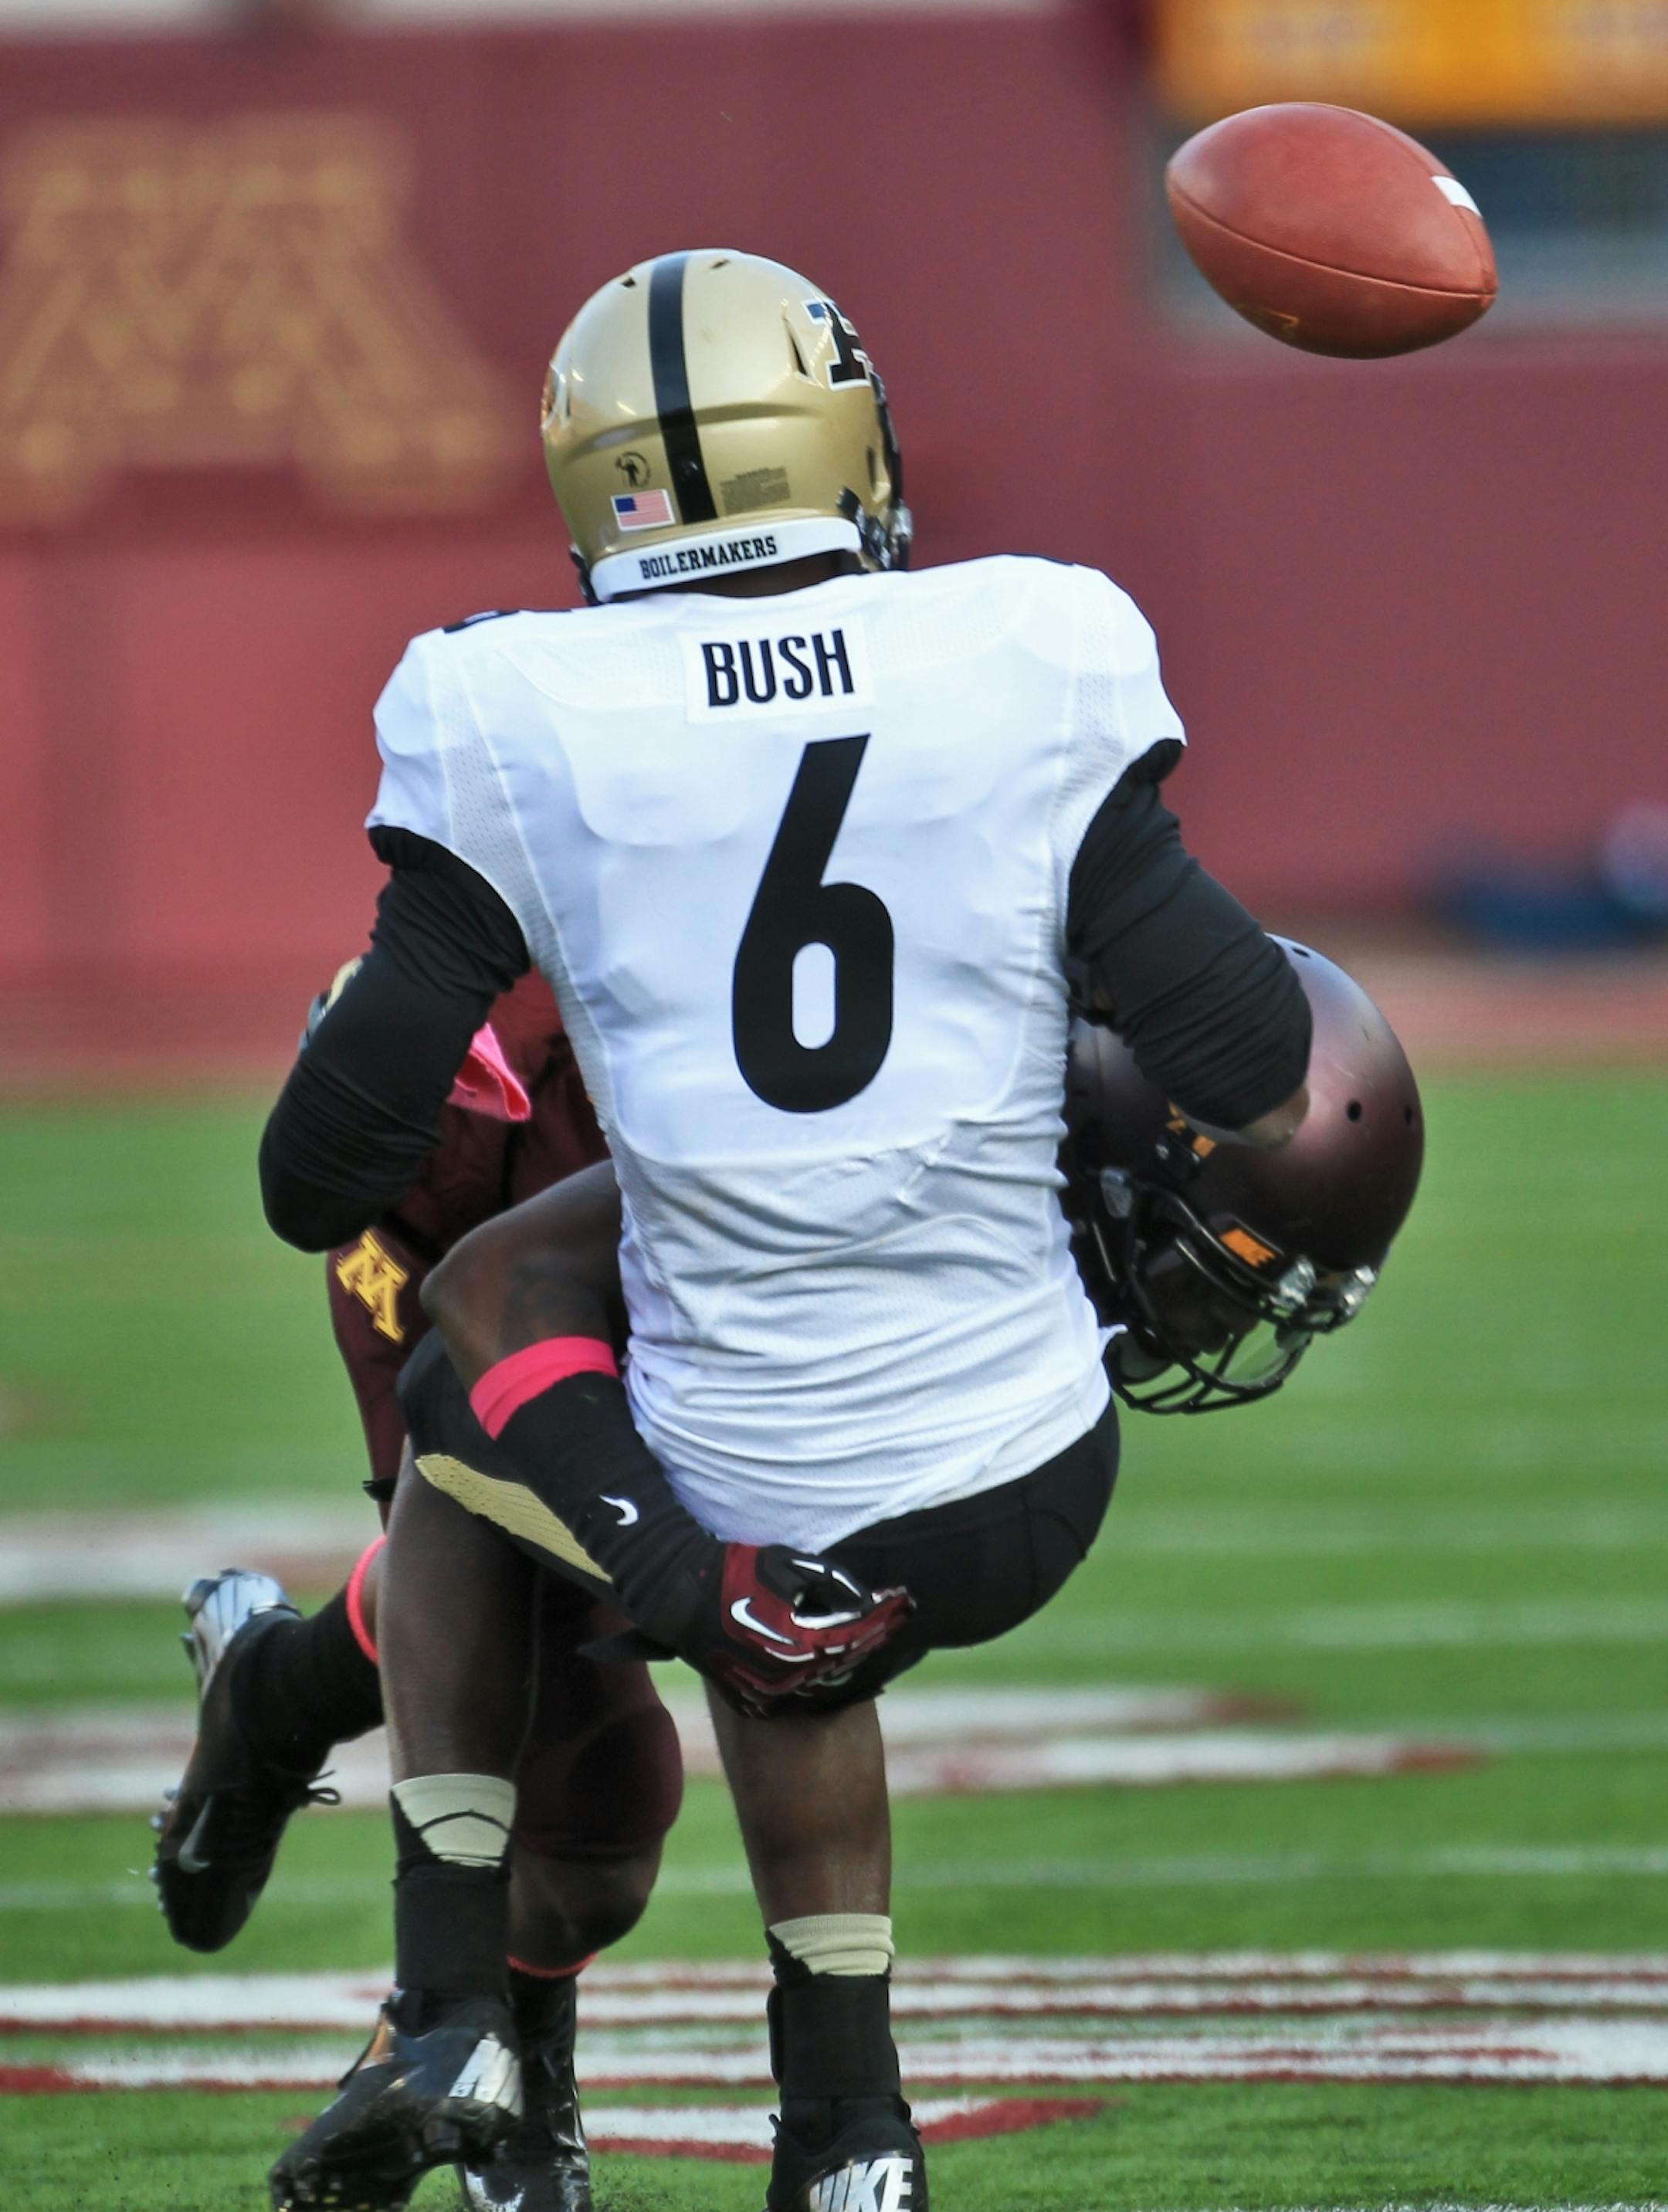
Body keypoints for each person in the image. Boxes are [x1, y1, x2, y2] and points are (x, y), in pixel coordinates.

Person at [258, 248, 1317, 2212]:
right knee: (793, 1556)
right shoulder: (1035, 643)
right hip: (1023, 1474)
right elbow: (1250, 1054)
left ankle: (455, 1991)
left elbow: (316, 1179)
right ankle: (850, 2136)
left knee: (484, 1392)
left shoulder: (512, 701)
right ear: (845, 440)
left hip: (722, 1472)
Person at [152, 971, 683, 2212]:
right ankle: (511, 2049)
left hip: (686, 1241)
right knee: (596, 1809)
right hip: (471, 1266)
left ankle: (271, 1693)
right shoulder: (424, 1161)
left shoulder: (651, 1019)